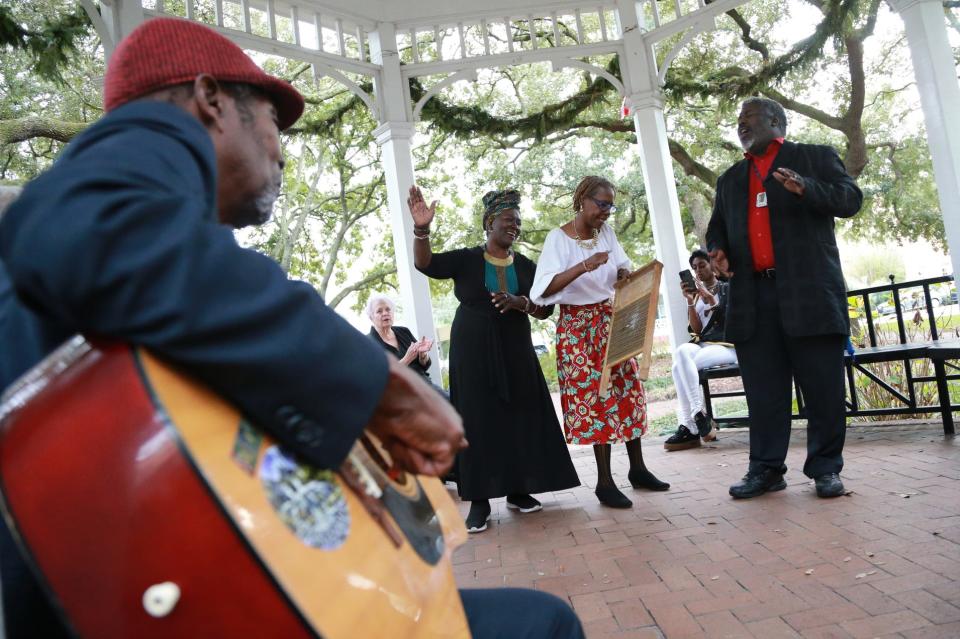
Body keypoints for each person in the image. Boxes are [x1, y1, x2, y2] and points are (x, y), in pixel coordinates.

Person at [0, 18, 584, 639]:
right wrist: (370, 384)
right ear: (210, 101)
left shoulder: (173, 268)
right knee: (542, 626)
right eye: (274, 123)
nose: (280, 151)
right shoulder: (133, 161)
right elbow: (78, 219)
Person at [706, 97, 862, 500]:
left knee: (823, 389)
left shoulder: (814, 158)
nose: (741, 125)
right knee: (764, 393)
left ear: (775, 121)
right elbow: (717, 230)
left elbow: (850, 200)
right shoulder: (730, 180)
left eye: (750, 118)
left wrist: (806, 188)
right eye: (738, 120)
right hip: (753, 298)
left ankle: (825, 469)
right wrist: (718, 252)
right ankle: (767, 469)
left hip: (808, 294)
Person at [408, 186, 580, 533]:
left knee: (520, 414)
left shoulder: (527, 266)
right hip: (472, 351)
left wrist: (521, 303)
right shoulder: (468, 259)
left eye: (517, 222)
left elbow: (545, 309)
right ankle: (480, 501)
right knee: (477, 420)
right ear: (489, 223)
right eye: (507, 220)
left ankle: (518, 490)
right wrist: (422, 230)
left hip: (516, 347)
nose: (514, 226)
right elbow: (425, 263)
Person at [531, 176, 669, 509]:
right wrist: (583, 265)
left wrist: (623, 274)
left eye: (610, 206)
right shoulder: (558, 239)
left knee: (627, 391)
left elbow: (621, 265)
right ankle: (604, 482)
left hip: (611, 319)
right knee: (597, 400)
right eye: (601, 205)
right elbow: (543, 291)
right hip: (578, 328)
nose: (606, 212)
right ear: (582, 200)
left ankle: (637, 469)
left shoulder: (605, 233)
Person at [663, 249, 735, 451]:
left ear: (712, 265)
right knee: (680, 354)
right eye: (694, 267)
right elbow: (696, 330)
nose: (698, 270)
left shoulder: (726, 289)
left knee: (681, 365)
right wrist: (689, 301)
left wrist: (712, 300)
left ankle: (689, 426)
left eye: (702, 265)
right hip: (704, 344)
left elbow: (730, 322)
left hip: (726, 346)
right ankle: (698, 414)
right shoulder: (696, 296)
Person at [366, 292, 433, 380]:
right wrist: (407, 359)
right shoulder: (368, 343)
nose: (385, 313)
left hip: (424, 383)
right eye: (379, 311)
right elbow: (379, 378)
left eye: (388, 309)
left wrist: (422, 355)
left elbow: (425, 365)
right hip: (400, 391)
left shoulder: (404, 331)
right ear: (371, 317)